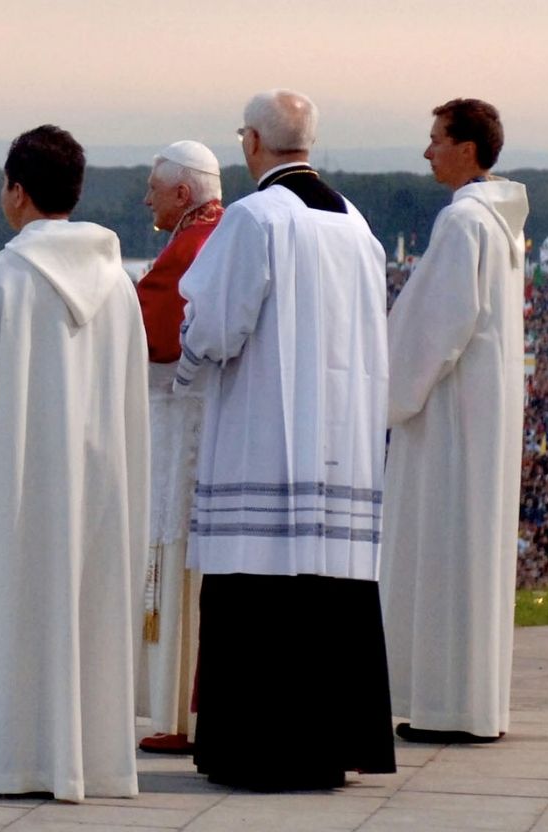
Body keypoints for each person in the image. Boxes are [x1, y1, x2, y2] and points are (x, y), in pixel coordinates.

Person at [173, 89, 395, 790]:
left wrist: (184, 359)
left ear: (251, 144)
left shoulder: (255, 217)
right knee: (327, 595)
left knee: (261, 595)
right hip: (342, 440)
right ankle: (326, 745)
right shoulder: (356, 223)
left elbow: (214, 327)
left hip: (266, 435)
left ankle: (258, 749)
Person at [0, 125, 149, 801]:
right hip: (101, 487)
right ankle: (89, 760)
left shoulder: (3, 277)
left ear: (17, 192)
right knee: (87, 614)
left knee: (18, 619)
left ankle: (8, 760)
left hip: (26, 485)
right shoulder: (120, 285)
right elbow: (134, 402)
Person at [382, 98, 526, 745]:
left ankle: (445, 706)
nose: (427, 150)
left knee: (442, 552)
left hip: (451, 421)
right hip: (479, 414)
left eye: (436, 138)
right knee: (471, 555)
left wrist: (385, 393)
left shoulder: (464, 223)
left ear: (467, 147)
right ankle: (472, 702)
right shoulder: (497, 223)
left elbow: (435, 326)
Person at [133, 140, 225, 755]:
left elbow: (153, 339)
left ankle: (177, 715)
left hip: (182, 430)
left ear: (184, 193)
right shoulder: (224, 235)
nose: (147, 199)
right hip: (213, 425)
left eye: (155, 189)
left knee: (177, 561)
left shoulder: (189, 250)